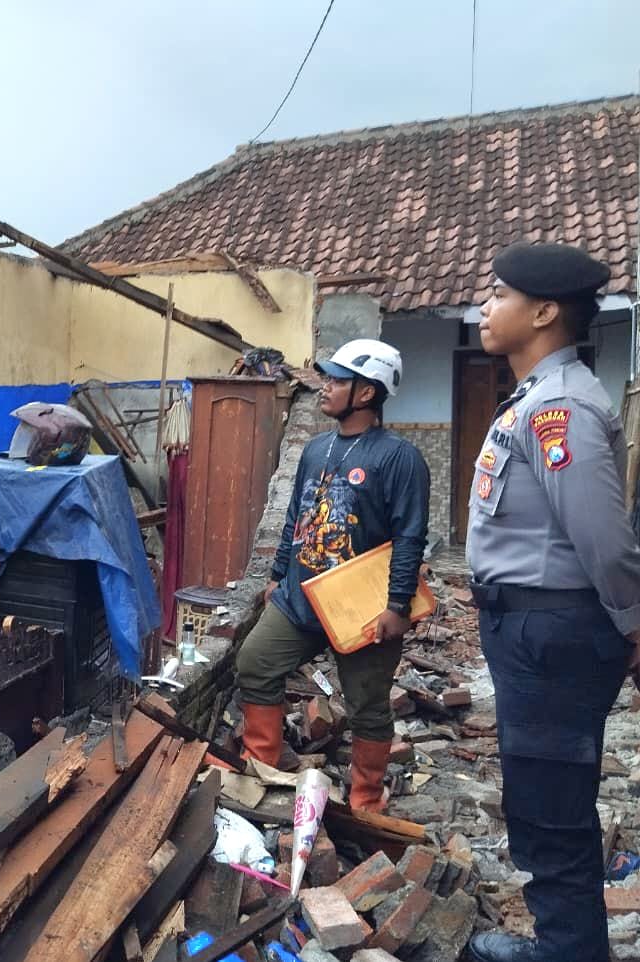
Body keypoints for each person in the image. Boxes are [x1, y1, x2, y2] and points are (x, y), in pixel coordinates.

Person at [464, 243, 640, 962]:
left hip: (552, 632)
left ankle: (567, 952)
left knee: (552, 815)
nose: (484, 304)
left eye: (499, 293)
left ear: (543, 312)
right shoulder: (534, 399)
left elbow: (605, 541)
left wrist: (634, 628)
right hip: (532, 628)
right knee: (543, 804)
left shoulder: (559, 407)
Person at [234, 338, 430, 812]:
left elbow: (409, 537)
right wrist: (279, 574)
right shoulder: (316, 449)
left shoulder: (399, 458)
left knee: (366, 705)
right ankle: (263, 768)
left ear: (366, 394)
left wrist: (397, 605)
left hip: (363, 608)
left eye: (338, 380)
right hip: (301, 595)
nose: (325, 387)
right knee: (255, 663)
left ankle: (365, 799)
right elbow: (295, 518)